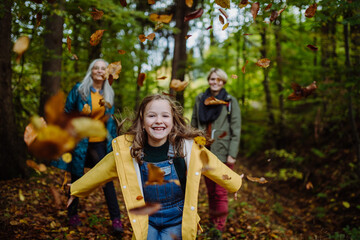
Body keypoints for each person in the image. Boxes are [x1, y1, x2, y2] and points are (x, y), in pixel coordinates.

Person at [68, 94, 242, 239]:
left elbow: (213, 165)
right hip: (146, 219)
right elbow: (101, 171)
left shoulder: (186, 147)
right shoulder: (129, 151)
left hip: (177, 219)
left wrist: (234, 182)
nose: (159, 121)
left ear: (173, 120)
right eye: (152, 116)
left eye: (165, 116)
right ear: (142, 121)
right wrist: (76, 189)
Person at [52, 59, 123, 232]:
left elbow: (110, 122)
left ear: (107, 73)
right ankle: (73, 215)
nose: (99, 71)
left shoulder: (109, 93)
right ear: (91, 71)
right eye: (95, 68)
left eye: (102, 68)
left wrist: (113, 143)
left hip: (100, 144)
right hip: (80, 143)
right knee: (77, 178)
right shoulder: (79, 90)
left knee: (106, 181)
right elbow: (67, 112)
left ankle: (116, 220)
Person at [191, 68, 241, 238]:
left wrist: (232, 154)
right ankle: (213, 222)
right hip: (204, 152)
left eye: (219, 79)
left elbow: (236, 129)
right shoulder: (200, 98)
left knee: (220, 192)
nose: (215, 82)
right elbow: (194, 123)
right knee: (211, 191)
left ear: (223, 81)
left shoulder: (230, 101)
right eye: (212, 79)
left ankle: (218, 229)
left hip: (223, 152)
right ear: (208, 80)